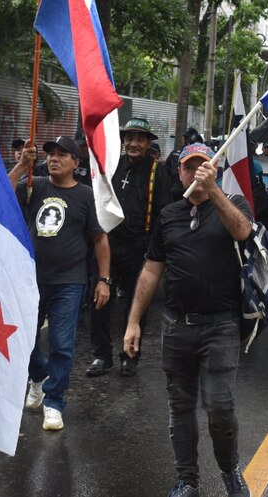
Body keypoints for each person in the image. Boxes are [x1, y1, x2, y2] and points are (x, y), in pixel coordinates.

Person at [122, 142, 252, 497]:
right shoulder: (169, 215)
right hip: (176, 326)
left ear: (215, 170)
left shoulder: (232, 205)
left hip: (221, 326)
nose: (193, 172)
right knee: (180, 405)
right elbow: (151, 271)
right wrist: (134, 321)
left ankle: (229, 469)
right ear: (177, 173)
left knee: (220, 407)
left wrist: (213, 192)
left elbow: (243, 231)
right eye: (186, 166)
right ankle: (187, 480)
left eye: (202, 165)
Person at [9, 136, 111, 431]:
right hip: (30, 280)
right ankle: (39, 377)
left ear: (76, 164)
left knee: (62, 345)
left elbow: (99, 238)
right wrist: (21, 165)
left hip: (69, 281)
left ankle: (53, 403)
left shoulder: (85, 195)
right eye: (51, 154)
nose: (54, 158)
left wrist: (103, 280)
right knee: (23, 340)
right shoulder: (34, 185)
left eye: (62, 155)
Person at [86, 118, 171, 378]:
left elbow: (163, 214)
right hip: (108, 246)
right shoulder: (113, 167)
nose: (133, 143)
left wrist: (155, 251)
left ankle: (129, 356)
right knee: (99, 299)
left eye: (140, 138)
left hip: (139, 248)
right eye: (129, 138)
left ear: (148, 143)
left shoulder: (159, 172)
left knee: (136, 303)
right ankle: (102, 356)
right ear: (123, 141)